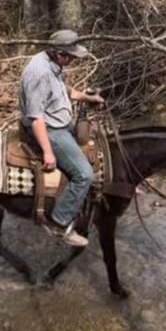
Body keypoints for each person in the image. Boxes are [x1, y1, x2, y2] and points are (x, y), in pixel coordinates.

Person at [19, 29, 105, 247]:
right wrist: (48, 151)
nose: (72, 60)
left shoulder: (52, 64)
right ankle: (59, 221)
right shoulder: (39, 73)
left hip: (61, 122)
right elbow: (36, 117)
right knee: (84, 174)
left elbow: (63, 90)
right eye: (70, 57)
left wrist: (86, 97)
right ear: (58, 53)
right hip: (49, 129)